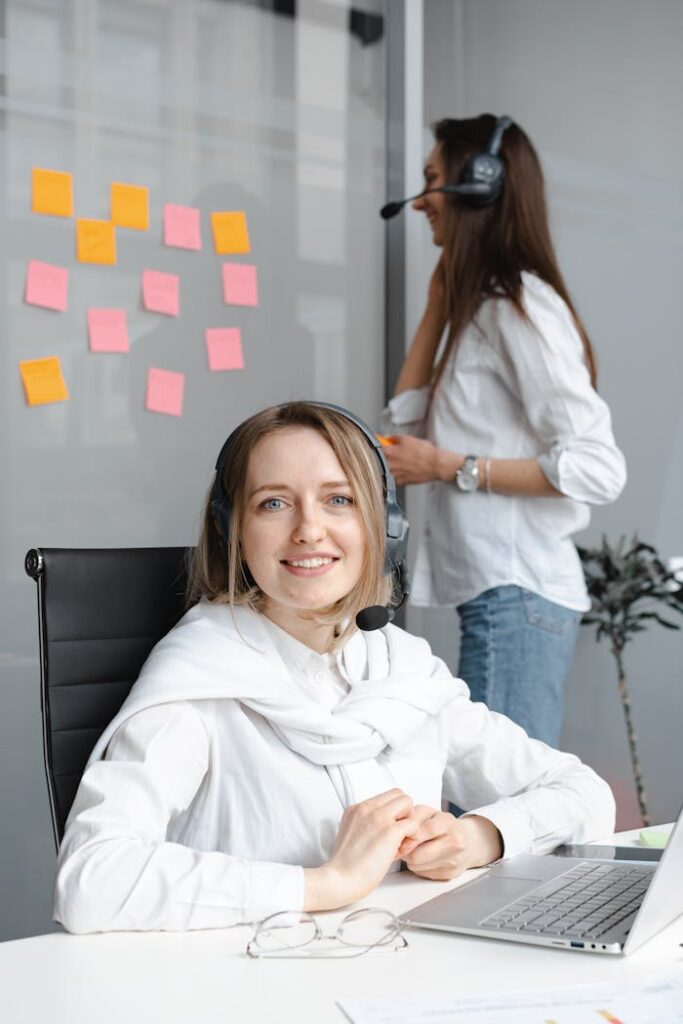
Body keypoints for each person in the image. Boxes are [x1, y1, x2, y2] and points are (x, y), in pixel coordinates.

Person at [54, 401, 615, 935]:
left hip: (398, 973)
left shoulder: (404, 670)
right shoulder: (199, 682)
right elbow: (89, 881)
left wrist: (481, 835)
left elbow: (584, 794)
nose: (309, 530)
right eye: (273, 502)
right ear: (233, 530)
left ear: (384, 526)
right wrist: (325, 883)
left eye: (339, 500)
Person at [381, 114, 626, 748]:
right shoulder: (478, 311)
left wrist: (449, 467)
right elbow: (398, 436)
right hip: (500, 598)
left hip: (517, 597)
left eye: (432, 180)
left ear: (479, 186)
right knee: (484, 812)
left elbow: (596, 466)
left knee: (491, 820)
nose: (420, 202)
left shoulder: (518, 308)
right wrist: (436, 309)